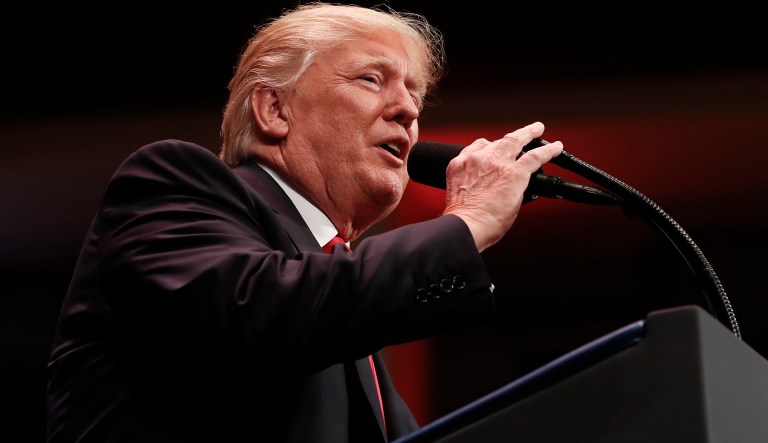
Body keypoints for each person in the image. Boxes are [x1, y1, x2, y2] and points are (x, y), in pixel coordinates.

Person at [45, 2, 563, 442]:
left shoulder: (341, 304)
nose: (407, 108)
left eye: (415, 95)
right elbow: (265, 310)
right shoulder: (171, 182)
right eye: (371, 79)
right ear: (274, 108)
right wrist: (467, 221)